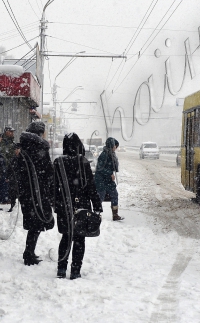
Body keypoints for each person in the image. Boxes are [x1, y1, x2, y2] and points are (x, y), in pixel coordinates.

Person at [53, 133, 102, 280]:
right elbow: (91, 187)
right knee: (80, 239)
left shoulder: (58, 163)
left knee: (66, 237)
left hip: (64, 205)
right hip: (82, 205)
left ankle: (61, 269)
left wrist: (56, 205)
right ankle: (75, 270)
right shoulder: (83, 162)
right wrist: (97, 205)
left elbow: (53, 187)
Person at [16, 120, 54, 265]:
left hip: (26, 191)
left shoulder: (23, 147)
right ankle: (28, 254)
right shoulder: (40, 148)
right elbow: (48, 172)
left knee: (33, 222)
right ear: (40, 132)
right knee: (38, 222)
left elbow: (18, 170)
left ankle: (29, 252)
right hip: (38, 191)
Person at [95, 137, 123, 221]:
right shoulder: (104, 155)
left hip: (108, 180)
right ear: (111, 145)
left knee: (114, 195)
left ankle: (115, 214)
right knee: (100, 197)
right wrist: (110, 173)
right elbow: (99, 168)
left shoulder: (112, 154)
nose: (115, 147)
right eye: (114, 145)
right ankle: (97, 215)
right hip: (101, 180)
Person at [7, 143, 21, 211]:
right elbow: (9, 169)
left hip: (20, 179)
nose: (16, 151)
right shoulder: (13, 159)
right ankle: (13, 205)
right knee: (13, 193)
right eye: (15, 149)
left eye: (17, 149)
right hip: (14, 179)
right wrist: (8, 177)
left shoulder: (23, 159)